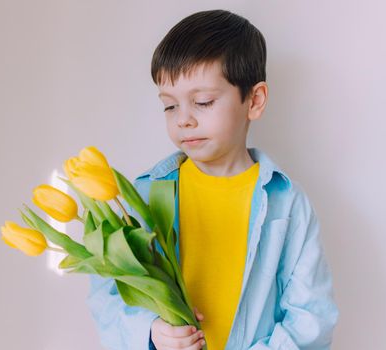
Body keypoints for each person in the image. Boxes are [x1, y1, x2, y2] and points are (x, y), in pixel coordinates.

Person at [86, 9, 339, 350]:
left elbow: (311, 317)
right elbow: (108, 294)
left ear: (255, 100)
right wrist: (150, 332)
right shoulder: (142, 195)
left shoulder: (286, 203)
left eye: (202, 102)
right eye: (169, 106)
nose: (183, 120)